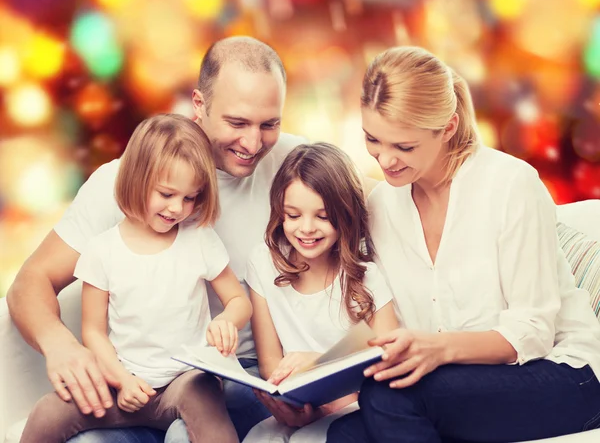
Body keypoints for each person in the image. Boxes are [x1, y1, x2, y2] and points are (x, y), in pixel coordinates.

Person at [7, 36, 305, 443]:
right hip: (131, 378)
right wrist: (62, 346)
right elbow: (30, 282)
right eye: (237, 123)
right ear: (199, 104)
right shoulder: (125, 182)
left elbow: (371, 201)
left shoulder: (298, 168)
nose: (253, 144)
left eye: (269, 124)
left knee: (189, 427)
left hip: (235, 372)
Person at [326, 46, 600, 443]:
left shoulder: (510, 184)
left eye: (404, 147)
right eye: (373, 140)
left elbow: (532, 332)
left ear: (449, 127)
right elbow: (386, 321)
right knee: (346, 435)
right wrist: (318, 381)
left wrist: (438, 349)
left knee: (388, 399)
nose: (386, 161)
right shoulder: (382, 206)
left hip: (565, 374)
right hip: (462, 383)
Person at [20, 114, 251, 443]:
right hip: (125, 384)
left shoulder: (199, 238)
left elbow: (239, 301)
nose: (177, 209)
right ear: (137, 179)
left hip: (186, 382)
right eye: (167, 194)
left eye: (190, 198)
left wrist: (228, 320)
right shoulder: (103, 251)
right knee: (48, 413)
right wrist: (121, 380)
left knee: (204, 398)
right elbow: (94, 333)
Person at [243, 142, 398, 443]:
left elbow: (387, 365)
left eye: (323, 216)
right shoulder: (263, 262)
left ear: (345, 214)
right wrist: (290, 401)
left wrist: (319, 370)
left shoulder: (369, 278)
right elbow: (270, 363)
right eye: (293, 215)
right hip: (296, 406)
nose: (306, 229)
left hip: (355, 409)